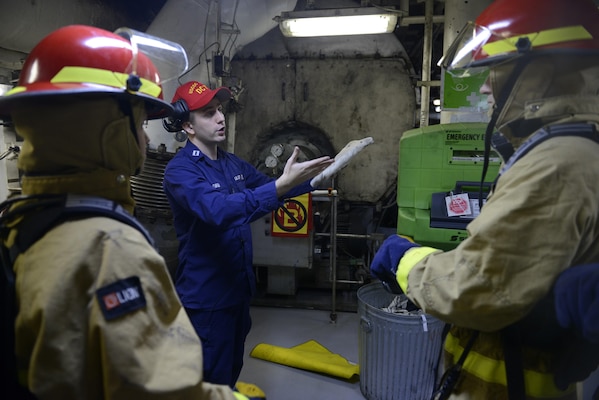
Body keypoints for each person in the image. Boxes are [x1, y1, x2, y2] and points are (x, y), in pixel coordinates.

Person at [0, 25, 247, 400]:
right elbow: (169, 391)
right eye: (137, 122)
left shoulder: (17, 220)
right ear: (109, 129)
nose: (147, 139)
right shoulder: (109, 250)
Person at [370, 0, 599, 399]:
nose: (488, 86)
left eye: (499, 69)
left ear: (543, 71)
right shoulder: (561, 149)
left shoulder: (557, 163)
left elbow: (477, 286)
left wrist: (404, 258)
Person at [161, 80, 334, 388]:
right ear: (187, 125)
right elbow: (219, 211)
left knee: (230, 371)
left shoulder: (231, 164)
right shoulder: (180, 171)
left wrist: (317, 177)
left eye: (220, 110)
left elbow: (271, 187)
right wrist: (280, 186)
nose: (219, 118)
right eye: (208, 113)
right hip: (207, 299)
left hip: (238, 292)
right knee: (208, 381)